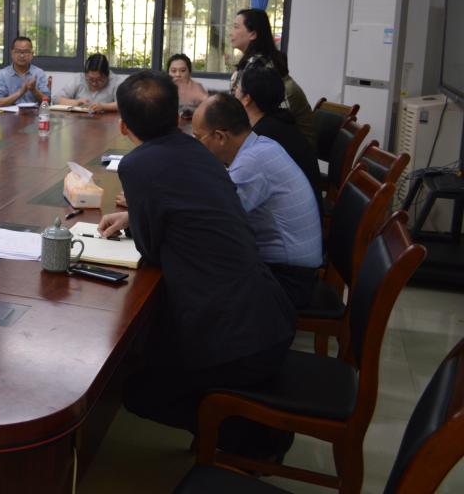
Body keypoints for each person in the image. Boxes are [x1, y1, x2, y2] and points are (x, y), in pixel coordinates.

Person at [97, 71, 296, 460]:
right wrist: (135, 217)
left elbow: (152, 249)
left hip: (234, 339)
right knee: (153, 351)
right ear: (178, 118)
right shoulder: (198, 150)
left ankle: (249, 435)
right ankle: (248, 425)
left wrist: (141, 219)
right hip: (269, 313)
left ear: (123, 125)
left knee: (136, 391)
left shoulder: (137, 165)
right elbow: (189, 212)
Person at [192, 93, 323, 308]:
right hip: (291, 268)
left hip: (289, 280)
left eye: (198, 138)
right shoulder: (260, 145)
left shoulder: (251, 162)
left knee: (195, 280)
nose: (196, 146)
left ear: (220, 136)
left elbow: (214, 220)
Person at [236, 65, 323, 212]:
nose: (234, 92)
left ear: (247, 99)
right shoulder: (281, 122)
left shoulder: (263, 136)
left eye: (237, 88)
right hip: (308, 211)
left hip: (296, 217)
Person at [229, 9, 314, 147]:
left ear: (253, 34)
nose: (231, 33)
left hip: (290, 151)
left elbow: (275, 127)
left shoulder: (265, 71)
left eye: (236, 27)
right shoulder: (252, 65)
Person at [0, 36, 49, 107]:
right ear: (12, 53)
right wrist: (20, 93)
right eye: (18, 51)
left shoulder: (39, 73)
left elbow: (47, 100)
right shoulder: (2, 74)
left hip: (33, 113)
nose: (22, 55)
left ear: (32, 54)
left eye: (26, 52)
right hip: (9, 113)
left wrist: (34, 90)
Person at [166, 53, 209, 117]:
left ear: (189, 72)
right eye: (173, 71)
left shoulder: (197, 88)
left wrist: (202, 97)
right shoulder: (163, 89)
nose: (178, 75)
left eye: (183, 71)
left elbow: (212, 110)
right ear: (168, 73)